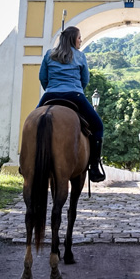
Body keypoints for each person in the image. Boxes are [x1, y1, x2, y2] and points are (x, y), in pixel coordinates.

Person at [38, 25, 105, 182]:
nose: (81, 40)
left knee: (31, 125)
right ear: (72, 39)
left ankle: (26, 162)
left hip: (50, 95)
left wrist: (52, 89)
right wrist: (76, 90)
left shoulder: (49, 54)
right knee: (98, 126)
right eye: (79, 38)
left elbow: (42, 78)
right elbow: (85, 80)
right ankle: (94, 167)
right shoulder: (80, 56)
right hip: (75, 95)